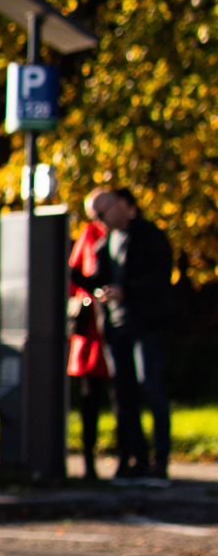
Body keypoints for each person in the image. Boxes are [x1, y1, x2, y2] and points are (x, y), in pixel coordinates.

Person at [86, 186, 173, 483]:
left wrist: (128, 291)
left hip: (146, 325)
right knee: (123, 396)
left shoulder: (149, 235)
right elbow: (96, 279)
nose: (99, 220)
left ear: (121, 204)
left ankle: (160, 460)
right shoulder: (103, 245)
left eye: (101, 212)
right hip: (116, 328)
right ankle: (137, 459)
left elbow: (161, 277)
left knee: (151, 387)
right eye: (94, 216)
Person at [67, 211, 115, 480]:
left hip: (115, 326)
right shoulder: (89, 235)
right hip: (91, 331)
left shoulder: (122, 236)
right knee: (90, 398)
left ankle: (128, 460)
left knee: (122, 397)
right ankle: (88, 461)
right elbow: (74, 277)